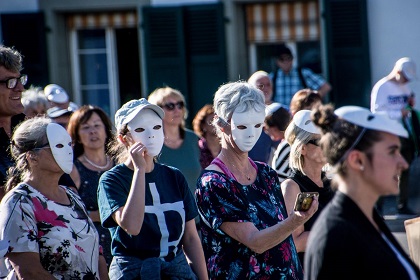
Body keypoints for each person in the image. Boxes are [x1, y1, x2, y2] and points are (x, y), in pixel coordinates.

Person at [195, 81, 318, 279]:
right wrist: (296, 219)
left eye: (257, 124)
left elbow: (283, 240)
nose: (251, 132)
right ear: (221, 124)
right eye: (242, 125)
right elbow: (255, 242)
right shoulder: (214, 183)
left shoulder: (266, 173)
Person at [304, 105, 420, 279]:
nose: (403, 163)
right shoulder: (335, 236)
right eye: (392, 152)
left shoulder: (367, 217)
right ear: (357, 160)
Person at [97, 98, 208, 279]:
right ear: (123, 139)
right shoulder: (111, 180)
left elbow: (190, 238)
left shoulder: (174, 176)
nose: (151, 134)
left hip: (176, 272)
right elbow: (132, 226)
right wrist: (140, 170)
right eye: (140, 129)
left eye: (157, 127)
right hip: (133, 274)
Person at [0, 117, 108, 279]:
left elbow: (97, 255)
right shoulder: (19, 202)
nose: (67, 151)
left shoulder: (72, 196)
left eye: (68, 144)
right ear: (32, 156)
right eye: (58, 145)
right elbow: (30, 272)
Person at [280, 110, 334, 265]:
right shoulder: (292, 187)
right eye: (320, 142)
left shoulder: (331, 184)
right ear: (302, 148)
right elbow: (294, 242)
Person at [67, 105, 115, 266]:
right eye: (86, 127)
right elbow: (69, 213)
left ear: (105, 129)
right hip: (91, 245)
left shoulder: (120, 164)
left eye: (97, 125)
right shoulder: (73, 169)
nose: (92, 131)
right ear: (78, 136)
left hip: (125, 244)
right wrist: (108, 215)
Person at [371, 57, 418, 215]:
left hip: (404, 134)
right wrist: (399, 113)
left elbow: (407, 108)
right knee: (384, 169)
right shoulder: (382, 87)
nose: (406, 81)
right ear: (397, 72)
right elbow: (376, 112)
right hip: (386, 134)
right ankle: (378, 207)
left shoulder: (404, 88)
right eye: (404, 77)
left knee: (405, 167)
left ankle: (402, 204)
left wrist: (410, 105)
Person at [148, 86, 201, 196]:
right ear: (157, 110)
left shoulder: (193, 138)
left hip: (193, 209)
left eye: (180, 105)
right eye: (170, 106)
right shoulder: (150, 141)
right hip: (163, 209)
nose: (177, 110)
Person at [272, 89, 323, 182]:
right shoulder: (288, 147)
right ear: (296, 114)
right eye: (310, 111)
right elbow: (278, 183)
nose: (316, 117)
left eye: (319, 111)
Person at [0, 45, 27, 199]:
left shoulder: (34, 132)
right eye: (11, 82)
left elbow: (65, 186)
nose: (21, 88)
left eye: (20, 80)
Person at [248, 71, 280, 163]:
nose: (265, 89)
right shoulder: (244, 113)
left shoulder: (281, 110)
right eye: (261, 86)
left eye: (268, 85)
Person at [192, 104, 221, 169]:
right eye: (211, 120)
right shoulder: (197, 148)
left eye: (217, 120)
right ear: (203, 125)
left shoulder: (227, 148)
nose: (215, 124)